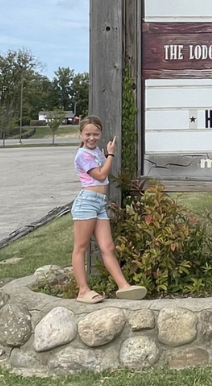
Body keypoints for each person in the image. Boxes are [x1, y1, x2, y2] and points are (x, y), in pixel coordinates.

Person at [70, 116, 147, 303]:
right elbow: (101, 174)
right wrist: (111, 154)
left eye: (96, 134)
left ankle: (124, 286)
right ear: (80, 134)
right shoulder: (82, 155)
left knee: (108, 247)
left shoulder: (96, 151)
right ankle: (83, 290)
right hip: (86, 202)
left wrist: (106, 154)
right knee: (81, 247)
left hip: (99, 203)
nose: (92, 137)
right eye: (88, 134)